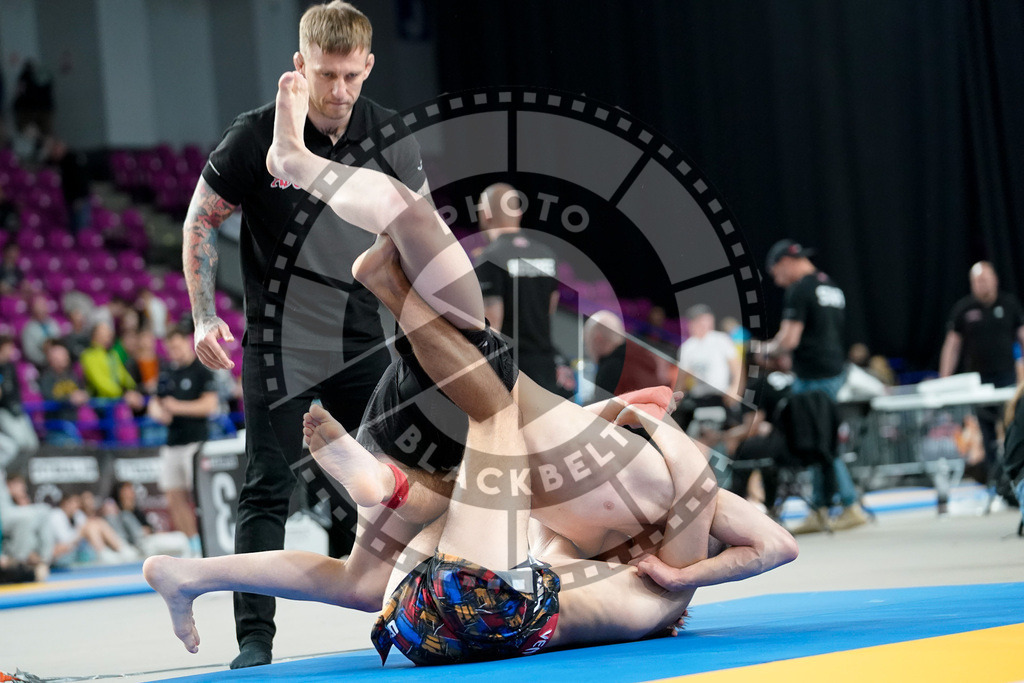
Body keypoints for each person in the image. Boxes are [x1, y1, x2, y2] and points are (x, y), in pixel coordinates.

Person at [145, 75, 798, 664]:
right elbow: (770, 541)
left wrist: (643, 424)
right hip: (465, 476)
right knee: (372, 571)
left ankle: (243, 548)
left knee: (377, 559)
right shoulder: (662, 532)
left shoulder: (624, 513)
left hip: (452, 425)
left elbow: (755, 535)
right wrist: (685, 574)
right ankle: (360, 482)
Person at [181, 2, 427, 668]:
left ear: (368, 66)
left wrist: (422, 322)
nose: (339, 91)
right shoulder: (253, 135)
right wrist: (204, 314)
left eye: (351, 76)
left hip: (361, 339)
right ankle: (254, 639)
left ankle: (413, 612)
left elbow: (420, 232)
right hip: (278, 342)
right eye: (325, 75)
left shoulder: (390, 138)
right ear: (300, 65)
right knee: (267, 485)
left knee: (394, 480)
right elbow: (200, 220)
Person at [763, 239, 867, 533]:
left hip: (813, 377)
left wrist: (764, 349)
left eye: (776, 273)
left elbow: (789, 339)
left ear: (785, 262)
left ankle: (849, 504)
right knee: (820, 438)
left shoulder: (800, 289)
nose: (777, 281)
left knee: (820, 441)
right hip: (835, 370)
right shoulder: (831, 286)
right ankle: (820, 508)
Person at [474, 183, 569, 396]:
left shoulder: (490, 258)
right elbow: (549, 310)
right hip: (545, 367)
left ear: (486, 214)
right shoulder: (548, 255)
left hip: (510, 371)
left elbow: (491, 327)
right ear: (518, 213)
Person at [939, 261, 1024, 485]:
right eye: (976, 281)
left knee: (1012, 427)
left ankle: (1012, 476)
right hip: (978, 381)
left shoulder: (1009, 305)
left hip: (1007, 378)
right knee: (985, 432)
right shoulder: (964, 309)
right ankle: (994, 480)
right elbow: (952, 346)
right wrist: (944, 379)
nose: (981, 284)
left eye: (984, 279)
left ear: (994, 279)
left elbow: (1022, 337)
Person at [148, 324, 218, 558]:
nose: (174, 352)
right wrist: (158, 412)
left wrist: (176, 407)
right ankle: (193, 544)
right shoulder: (167, 371)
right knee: (173, 496)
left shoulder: (201, 370)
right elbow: (155, 402)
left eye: (177, 347)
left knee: (199, 497)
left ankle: (209, 542)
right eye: (171, 348)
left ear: (187, 343)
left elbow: (210, 405)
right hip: (172, 443)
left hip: (195, 443)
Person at [674, 304, 742, 432]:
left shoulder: (721, 339)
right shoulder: (687, 347)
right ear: (692, 323)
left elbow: (737, 368)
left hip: (722, 396)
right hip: (699, 398)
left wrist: (735, 389)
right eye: (701, 320)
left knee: (728, 432)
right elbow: (682, 379)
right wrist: (675, 402)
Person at [584, 310, 665, 398]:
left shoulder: (609, 372)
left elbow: (601, 404)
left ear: (598, 339)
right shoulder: (645, 358)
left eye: (587, 343)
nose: (588, 350)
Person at [79, 322, 144, 409]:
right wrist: (122, 395)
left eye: (109, 335)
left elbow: (124, 376)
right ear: (94, 336)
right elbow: (101, 383)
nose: (108, 338)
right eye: (104, 335)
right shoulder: (89, 356)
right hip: (99, 403)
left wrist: (133, 390)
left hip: (119, 401)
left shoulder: (113, 354)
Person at [0, 336, 40, 459]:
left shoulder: (10, 366)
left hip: (17, 409)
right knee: (17, 444)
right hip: (3, 410)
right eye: (8, 347)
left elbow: (15, 389)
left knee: (32, 444)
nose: (11, 350)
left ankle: (23, 470)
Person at [38, 341, 89, 424]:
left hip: (74, 420)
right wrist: (69, 399)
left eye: (65, 355)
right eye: (61, 356)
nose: (65, 358)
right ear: (52, 359)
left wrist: (83, 395)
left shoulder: (72, 375)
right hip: (56, 422)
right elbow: (48, 398)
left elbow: (81, 391)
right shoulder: (46, 378)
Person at [20, 295, 61, 368]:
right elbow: (30, 353)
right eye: (38, 307)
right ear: (33, 309)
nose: (41, 309)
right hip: (41, 366)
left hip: (58, 360)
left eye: (43, 306)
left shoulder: (53, 323)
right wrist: (47, 360)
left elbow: (59, 341)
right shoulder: (28, 329)